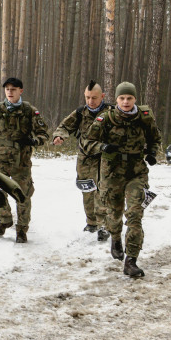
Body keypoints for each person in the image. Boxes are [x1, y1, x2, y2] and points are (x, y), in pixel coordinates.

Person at [84, 81, 163, 278]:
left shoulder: (144, 118)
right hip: (111, 172)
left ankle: (131, 261)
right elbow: (87, 142)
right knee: (114, 212)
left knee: (135, 215)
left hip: (136, 171)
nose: (126, 102)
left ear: (135, 99)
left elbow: (155, 138)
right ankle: (115, 237)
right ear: (116, 99)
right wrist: (102, 148)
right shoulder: (106, 118)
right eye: (122, 98)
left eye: (129, 98)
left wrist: (152, 152)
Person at [0, 77, 49, 243]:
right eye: (7, 89)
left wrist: (34, 141)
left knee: (23, 195)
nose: (10, 92)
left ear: (21, 91)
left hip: (22, 161)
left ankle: (22, 229)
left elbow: (43, 133)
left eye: (14, 89)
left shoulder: (29, 111)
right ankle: (5, 221)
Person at [53, 81, 110, 240]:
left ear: (102, 96)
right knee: (87, 191)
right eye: (87, 97)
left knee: (103, 192)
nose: (90, 101)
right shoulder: (80, 112)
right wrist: (60, 136)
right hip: (85, 159)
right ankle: (91, 222)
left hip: (105, 158)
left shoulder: (111, 112)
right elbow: (65, 126)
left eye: (94, 98)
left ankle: (104, 225)